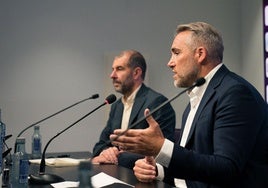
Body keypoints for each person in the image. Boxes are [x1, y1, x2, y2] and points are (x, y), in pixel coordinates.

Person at [110, 22, 268, 187]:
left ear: (200, 54)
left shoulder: (235, 93)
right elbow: (195, 168)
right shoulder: (195, 100)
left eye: (176, 53)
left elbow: (226, 169)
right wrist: (157, 171)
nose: (170, 63)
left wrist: (161, 147)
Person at [92, 50, 176, 169]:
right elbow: (100, 145)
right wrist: (106, 151)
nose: (112, 75)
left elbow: (163, 152)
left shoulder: (157, 103)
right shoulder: (116, 106)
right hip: (115, 173)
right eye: (112, 69)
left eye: (119, 69)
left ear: (136, 73)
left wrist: (116, 156)